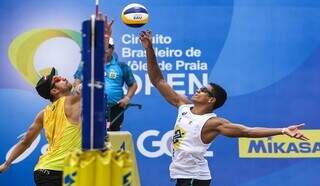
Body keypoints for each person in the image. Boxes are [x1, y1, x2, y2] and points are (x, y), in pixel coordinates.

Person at [139, 30, 309, 186]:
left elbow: (247, 132)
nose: (198, 90)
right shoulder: (183, 105)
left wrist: (283, 130)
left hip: (194, 178)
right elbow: (158, 80)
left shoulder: (213, 123)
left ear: (211, 100)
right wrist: (149, 48)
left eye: (204, 90)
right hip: (183, 176)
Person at [0, 67, 82, 186]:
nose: (63, 77)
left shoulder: (43, 113)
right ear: (54, 91)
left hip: (45, 171)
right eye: (58, 80)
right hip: (59, 172)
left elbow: (25, 142)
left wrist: (6, 164)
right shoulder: (70, 102)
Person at [74, 18, 137, 132]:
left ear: (113, 49)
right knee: (91, 138)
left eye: (109, 47)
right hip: (91, 107)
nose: (106, 49)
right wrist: (78, 88)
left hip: (115, 109)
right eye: (103, 46)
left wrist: (127, 98)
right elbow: (77, 81)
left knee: (112, 139)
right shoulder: (87, 63)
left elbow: (133, 84)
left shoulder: (122, 66)